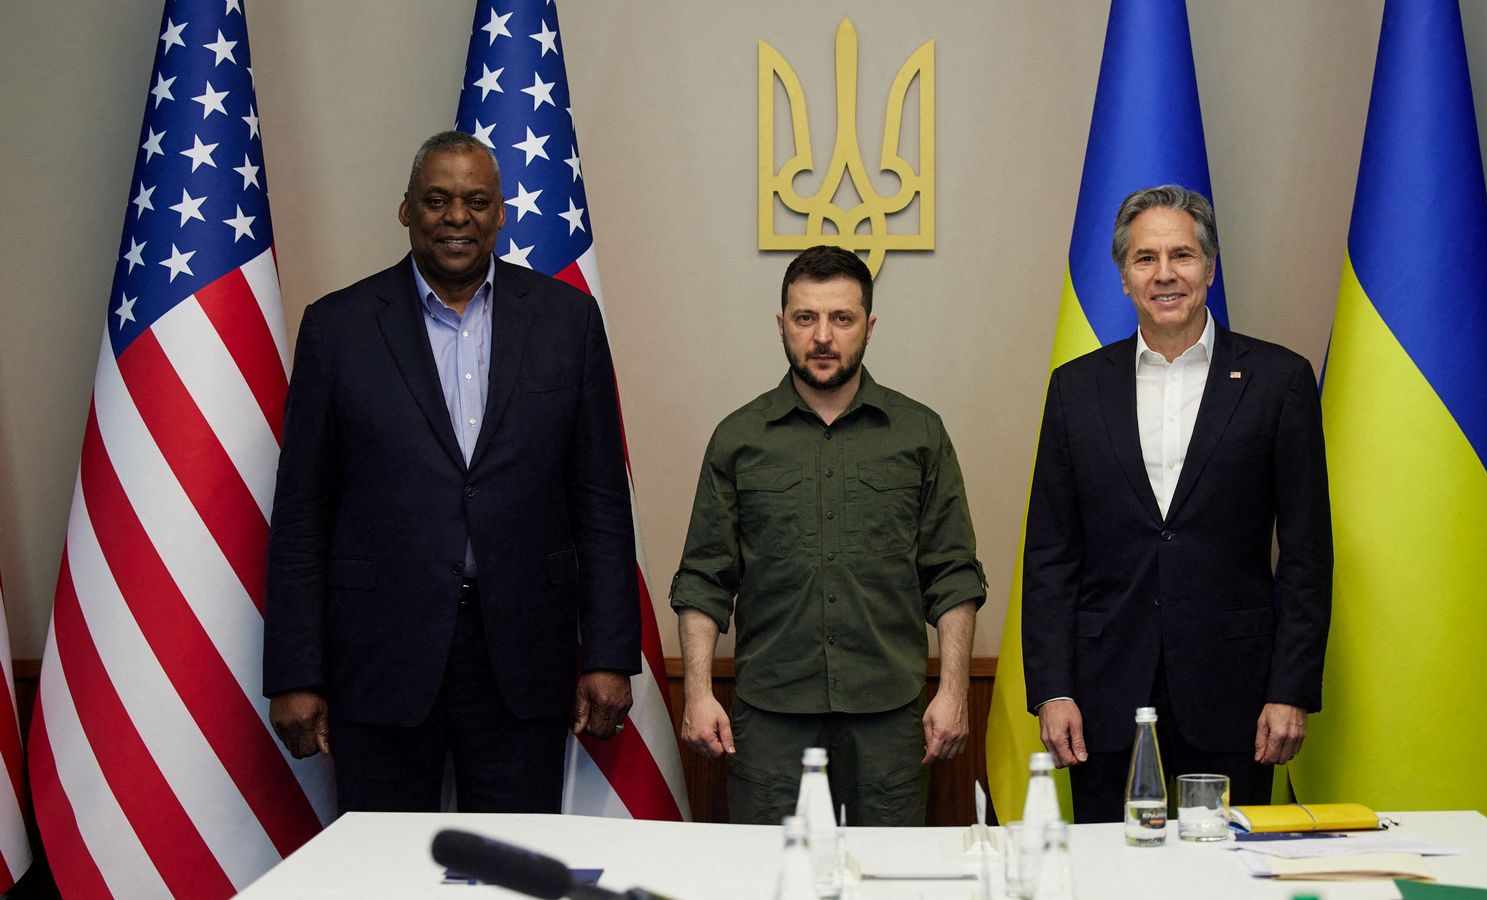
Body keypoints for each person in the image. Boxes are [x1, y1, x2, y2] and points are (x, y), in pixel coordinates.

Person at [262, 131, 639, 813]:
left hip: (523, 654)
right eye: (436, 200)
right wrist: (294, 672)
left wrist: (609, 654)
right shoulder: (338, 328)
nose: (455, 217)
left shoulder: (567, 322)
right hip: (380, 654)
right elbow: (300, 515)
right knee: (383, 872)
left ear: (501, 213)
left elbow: (601, 501)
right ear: (406, 210)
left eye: (475, 201)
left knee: (514, 865)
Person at [1021, 185, 1332, 822]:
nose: (1165, 274)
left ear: (1210, 268)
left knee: (1224, 879)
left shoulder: (1279, 381)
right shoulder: (1076, 390)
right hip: (1103, 697)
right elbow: (1051, 555)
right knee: (1111, 880)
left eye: (1182, 256)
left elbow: (1306, 554)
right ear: (1124, 276)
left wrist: (1290, 689)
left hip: (1236, 696)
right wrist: (1052, 689)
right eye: (1145, 259)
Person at [670, 245, 986, 826]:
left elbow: (952, 573)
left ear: (868, 326)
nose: (822, 336)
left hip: (890, 716)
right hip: (769, 720)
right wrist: (695, 691)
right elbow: (703, 579)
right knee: (768, 885)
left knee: (889, 885)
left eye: (841, 319)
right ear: (781, 324)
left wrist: (955, 690)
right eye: (805, 318)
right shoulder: (738, 438)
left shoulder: (919, 433)